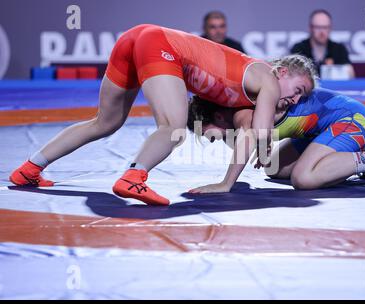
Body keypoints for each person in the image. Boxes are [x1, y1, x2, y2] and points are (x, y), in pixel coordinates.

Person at [9, 23, 314, 206]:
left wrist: (256, 150)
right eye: (298, 89)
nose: (294, 99)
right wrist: (243, 169)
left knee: (105, 122)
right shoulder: (270, 80)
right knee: (173, 127)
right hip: (161, 45)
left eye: (301, 97)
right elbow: (260, 132)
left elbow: (250, 132)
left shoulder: (256, 86)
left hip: (137, 37)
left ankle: (29, 169)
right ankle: (134, 177)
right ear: (282, 71)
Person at [187, 87, 365, 193]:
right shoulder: (243, 111)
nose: (215, 141)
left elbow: (245, 143)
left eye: (209, 134)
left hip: (353, 121)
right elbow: (257, 139)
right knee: (274, 169)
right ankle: (354, 162)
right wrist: (263, 147)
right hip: (322, 130)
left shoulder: (242, 115)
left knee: (303, 179)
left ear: (217, 115)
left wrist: (225, 184)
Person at [290, 9, 355, 78]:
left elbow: (350, 76)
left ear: (330, 28)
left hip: (333, 88)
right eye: (318, 27)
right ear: (310, 28)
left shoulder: (339, 49)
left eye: (325, 27)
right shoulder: (298, 49)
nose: (322, 32)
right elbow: (292, 77)